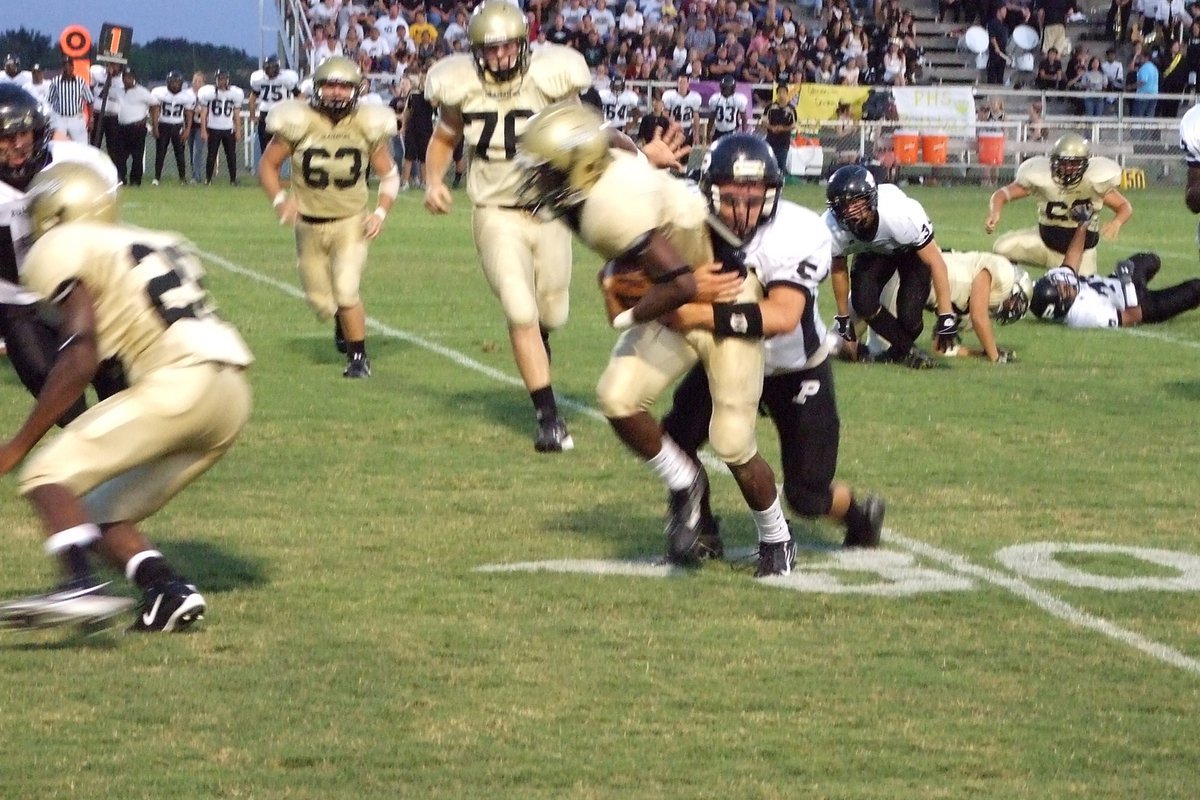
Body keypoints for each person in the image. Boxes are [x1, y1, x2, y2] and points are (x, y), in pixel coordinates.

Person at [518, 107, 795, 574]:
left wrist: (625, 308)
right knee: (618, 398)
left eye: (549, 170)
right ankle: (686, 482)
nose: (540, 180)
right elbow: (615, 139)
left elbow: (685, 285)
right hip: (679, 299)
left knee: (730, 440)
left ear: (579, 167)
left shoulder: (607, 210)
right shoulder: (602, 161)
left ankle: (776, 537)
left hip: (723, 298)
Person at [0, 162, 253, 633]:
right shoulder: (153, 239)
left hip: (179, 381)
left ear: (53, 214)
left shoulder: (63, 244)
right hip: (231, 393)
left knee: (47, 475)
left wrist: (19, 444)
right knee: (93, 506)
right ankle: (166, 589)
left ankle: (79, 586)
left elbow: (80, 356)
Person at [659, 134, 887, 555]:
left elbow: (781, 317)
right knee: (675, 437)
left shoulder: (798, 230)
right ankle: (702, 523)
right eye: (731, 197)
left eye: (754, 196)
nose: (743, 209)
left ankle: (860, 515)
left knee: (807, 495)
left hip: (793, 369)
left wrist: (690, 313)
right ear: (708, 191)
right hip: (727, 360)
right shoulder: (689, 216)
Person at [423, 0, 592, 452]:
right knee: (520, 309)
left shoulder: (551, 81)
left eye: (505, 48)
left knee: (551, 312)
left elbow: (584, 134)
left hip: (550, 211)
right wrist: (433, 179)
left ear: (523, 45)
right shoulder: (463, 87)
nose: (497, 58)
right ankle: (548, 418)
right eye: (488, 50)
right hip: (495, 211)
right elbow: (444, 137)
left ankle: (539, 343)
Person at [259, 56, 398, 379]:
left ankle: (358, 358)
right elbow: (267, 166)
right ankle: (340, 318)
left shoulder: (366, 124)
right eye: (330, 85)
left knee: (347, 290)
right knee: (322, 303)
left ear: (356, 90)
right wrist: (280, 200)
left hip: (351, 221)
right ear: (317, 88)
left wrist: (380, 212)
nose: (336, 92)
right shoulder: (298, 121)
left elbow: (390, 176)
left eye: (344, 86)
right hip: (307, 224)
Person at [0, 85, 126, 426]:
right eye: (4, 138)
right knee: (65, 407)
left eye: (22, 133)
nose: (16, 145)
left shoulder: (77, 163)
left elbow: (109, 229)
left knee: (119, 384)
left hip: (79, 292)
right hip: (20, 306)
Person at [826, 164, 960, 369]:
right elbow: (838, 271)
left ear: (871, 199)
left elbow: (935, 261)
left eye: (856, 203)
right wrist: (845, 321)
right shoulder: (832, 228)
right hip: (873, 251)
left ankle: (899, 350)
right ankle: (909, 351)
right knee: (863, 300)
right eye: (843, 206)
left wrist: (946, 315)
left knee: (909, 318)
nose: (850, 212)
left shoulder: (901, 215)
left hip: (909, 250)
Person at [984, 132, 1130, 277]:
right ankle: (1016, 288)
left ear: (1084, 164)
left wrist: (1117, 222)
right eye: (1063, 162)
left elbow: (1124, 206)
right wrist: (995, 211)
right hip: (1044, 244)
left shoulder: (1094, 182)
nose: (1067, 168)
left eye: (1073, 164)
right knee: (1002, 248)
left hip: (1082, 254)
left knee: (1080, 295)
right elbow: (1001, 194)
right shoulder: (1043, 177)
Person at [847, 251, 1033, 363]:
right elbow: (978, 315)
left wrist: (979, 353)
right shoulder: (1001, 271)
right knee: (879, 353)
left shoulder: (967, 307)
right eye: (1014, 301)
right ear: (1012, 287)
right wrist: (995, 356)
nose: (1012, 308)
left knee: (842, 342)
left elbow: (940, 347)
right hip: (902, 278)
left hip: (904, 285)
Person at [1029, 208, 1200, 327]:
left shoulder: (1060, 285)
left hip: (1115, 282)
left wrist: (1083, 225)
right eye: (1063, 289)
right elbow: (1133, 317)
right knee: (1195, 288)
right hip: (1139, 305)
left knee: (1150, 259)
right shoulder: (1086, 316)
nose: (1066, 283)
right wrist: (1127, 283)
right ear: (1062, 305)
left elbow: (1072, 259)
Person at [249, 56, 300, 175]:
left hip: (279, 114)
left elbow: (299, 95)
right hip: (268, 114)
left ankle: (274, 174)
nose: (271, 70)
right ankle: (269, 175)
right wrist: (252, 115)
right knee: (267, 148)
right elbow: (253, 97)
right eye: (269, 68)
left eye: (273, 68)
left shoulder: (285, 78)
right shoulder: (259, 79)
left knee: (280, 147)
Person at [111, 68, 158, 187]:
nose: (127, 79)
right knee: (120, 156)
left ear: (134, 78)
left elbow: (155, 105)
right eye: (125, 77)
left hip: (137, 127)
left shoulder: (142, 92)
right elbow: (104, 94)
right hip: (122, 127)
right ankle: (121, 178)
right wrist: (110, 76)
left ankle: (135, 181)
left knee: (137, 156)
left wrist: (152, 123)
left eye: (130, 77)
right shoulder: (119, 91)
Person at [198, 69, 244, 185]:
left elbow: (236, 114)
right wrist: (203, 130)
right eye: (219, 79)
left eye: (224, 79)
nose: (222, 81)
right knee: (211, 155)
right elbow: (203, 113)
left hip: (228, 128)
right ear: (216, 80)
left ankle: (233, 180)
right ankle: (208, 179)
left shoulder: (235, 93)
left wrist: (238, 130)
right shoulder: (209, 93)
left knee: (231, 156)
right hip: (213, 128)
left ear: (228, 80)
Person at [150, 71, 196, 185]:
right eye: (173, 82)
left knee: (180, 153)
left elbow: (189, 114)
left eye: (177, 82)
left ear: (181, 83)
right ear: (168, 82)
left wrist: (187, 129)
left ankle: (182, 178)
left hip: (178, 125)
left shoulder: (187, 96)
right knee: (160, 153)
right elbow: (154, 111)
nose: (175, 84)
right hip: (163, 124)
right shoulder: (159, 92)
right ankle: (157, 178)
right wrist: (155, 126)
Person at [46, 58, 93, 143]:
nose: (67, 68)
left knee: (81, 145)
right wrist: (50, 119)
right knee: (58, 145)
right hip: (60, 118)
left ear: (73, 67)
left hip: (76, 118)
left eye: (69, 65)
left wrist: (91, 119)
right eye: (65, 65)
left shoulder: (81, 81)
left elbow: (89, 101)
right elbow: (49, 101)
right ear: (62, 67)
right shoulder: (55, 82)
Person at [661, 75, 702, 146]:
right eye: (680, 82)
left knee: (686, 152)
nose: (682, 85)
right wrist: (673, 124)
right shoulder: (670, 95)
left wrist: (696, 134)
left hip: (687, 128)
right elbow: (665, 114)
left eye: (684, 82)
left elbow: (696, 117)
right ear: (677, 83)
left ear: (688, 84)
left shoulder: (694, 97)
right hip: (673, 128)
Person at [707, 75, 747, 142]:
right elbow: (712, 117)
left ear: (732, 88)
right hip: (718, 130)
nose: (726, 90)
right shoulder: (715, 98)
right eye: (724, 88)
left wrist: (744, 133)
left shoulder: (739, 99)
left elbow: (744, 118)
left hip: (732, 130)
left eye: (728, 88)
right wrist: (708, 132)